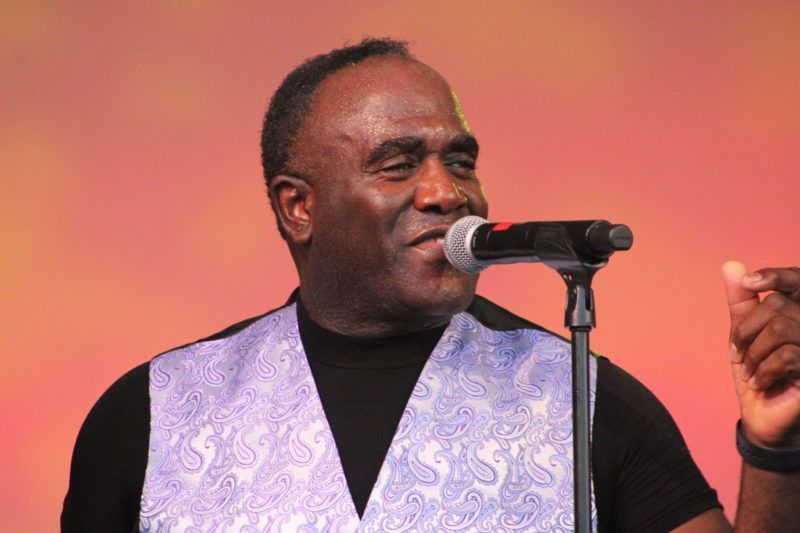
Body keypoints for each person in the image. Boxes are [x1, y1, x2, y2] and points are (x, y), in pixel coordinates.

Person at [62, 38, 800, 532]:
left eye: (461, 161)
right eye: (398, 164)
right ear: (298, 207)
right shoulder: (153, 412)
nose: (448, 192)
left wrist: (776, 448)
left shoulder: (584, 396)